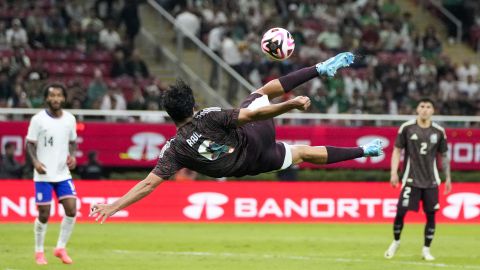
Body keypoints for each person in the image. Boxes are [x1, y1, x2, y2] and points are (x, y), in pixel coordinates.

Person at [89, 52, 384, 223]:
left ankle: (364, 151)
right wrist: (289, 105)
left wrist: (113, 206)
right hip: (255, 139)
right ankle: (320, 69)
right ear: (192, 106)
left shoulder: (173, 150)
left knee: (303, 153)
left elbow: (148, 184)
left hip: (253, 164)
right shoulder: (208, 116)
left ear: (171, 116)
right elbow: (254, 116)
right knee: (258, 94)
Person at [384, 98, 452, 261]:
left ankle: (426, 250)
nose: (425, 109)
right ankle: (396, 241)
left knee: (431, 215)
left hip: (431, 181)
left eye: (428, 107)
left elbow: (444, 156)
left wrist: (448, 177)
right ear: (417, 109)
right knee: (400, 212)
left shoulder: (439, 131)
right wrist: (394, 172)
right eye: (422, 106)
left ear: (433, 111)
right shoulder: (407, 128)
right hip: (410, 179)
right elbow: (396, 150)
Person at [26, 83, 78, 265]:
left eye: (59, 95)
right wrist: (35, 163)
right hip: (43, 174)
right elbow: (29, 144)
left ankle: (60, 248)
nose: (56, 99)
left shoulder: (70, 119)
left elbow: (72, 141)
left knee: (72, 210)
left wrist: (72, 156)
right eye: (52, 95)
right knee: (44, 214)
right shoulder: (38, 120)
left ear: (64, 98)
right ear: (46, 98)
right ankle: (39, 252)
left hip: (63, 173)